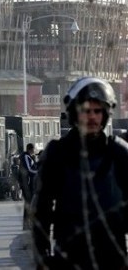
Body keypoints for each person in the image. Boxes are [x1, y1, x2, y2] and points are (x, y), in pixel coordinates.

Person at [32, 77, 128, 269]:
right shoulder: (57, 153)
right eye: (85, 110)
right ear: (75, 113)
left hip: (113, 255)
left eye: (97, 111)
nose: (92, 117)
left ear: (105, 113)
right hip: (70, 254)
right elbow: (42, 208)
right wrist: (42, 255)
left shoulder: (119, 153)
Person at [20, 143, 38, 230]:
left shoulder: (29, 157)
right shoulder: (26, 157)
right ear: (30, 149)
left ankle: (27, 223)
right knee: (28, 203)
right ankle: (26, 224)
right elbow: (29, 169)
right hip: (27, 184)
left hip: (29, 183)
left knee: (29, 203)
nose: (34, 151)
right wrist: (37, 172)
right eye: (34, 149)